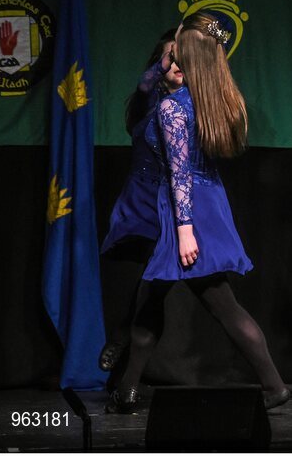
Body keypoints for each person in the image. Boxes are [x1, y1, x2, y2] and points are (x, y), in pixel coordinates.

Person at [106, 12, 289, 413]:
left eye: (178, 47)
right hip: (207, 203)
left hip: (187, 211)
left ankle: (274, 386)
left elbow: (180, 174)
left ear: (186, 54)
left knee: (218, 303)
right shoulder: (215, 99)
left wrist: (185, 230)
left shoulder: (174, 108)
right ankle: (128, 388)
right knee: (154, 297)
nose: (172, 56)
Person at [99, 29, 179, 374]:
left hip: (175, 203)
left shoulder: (192, 102)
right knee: (144, 279)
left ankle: (127, 362)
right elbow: (145, 85)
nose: (178, 63)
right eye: (172, 57)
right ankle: (123, 354)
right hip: (141, 202)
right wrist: (166, 60)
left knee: (154, 288)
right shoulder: (150, 98)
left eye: (185, 56)